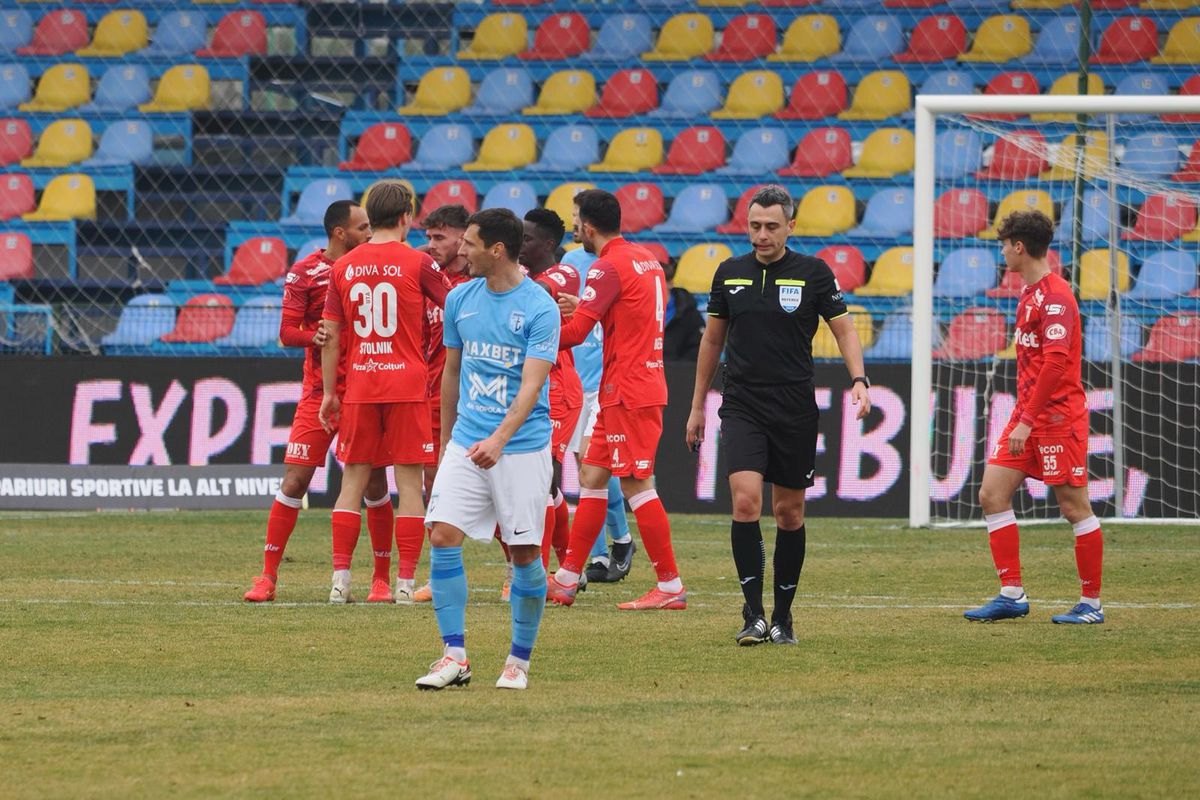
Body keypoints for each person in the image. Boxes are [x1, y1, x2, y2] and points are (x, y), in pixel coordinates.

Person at [686, 185, 871, 646]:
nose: (761, 234)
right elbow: (712, 341)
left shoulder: (813, 273)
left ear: (791, 226)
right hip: (742, 402)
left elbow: (845, 331)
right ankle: (753, 615)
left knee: (788, 512)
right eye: (754, 226)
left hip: (794, 406)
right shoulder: (730, 273)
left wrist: (859, 380)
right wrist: (697, 407)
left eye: (771, 226)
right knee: (745, 501)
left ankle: (783, 618)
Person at [416, 208, 559, 691]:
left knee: (522, 552)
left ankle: (518, 661)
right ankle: (454, 655)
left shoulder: (540, 307)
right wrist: (445, 445)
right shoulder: (461, 300)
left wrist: (499, 439)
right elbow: (452, 374)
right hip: (466, 442)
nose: (461, 250)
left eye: (471, 244)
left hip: (520, 448)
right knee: (441, 536)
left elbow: (532, 386)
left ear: (497, 250)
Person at [242, 200, 390, 603]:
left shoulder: (374, 268)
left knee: (375, 482)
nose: (369, 234)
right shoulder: (305, 272)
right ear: (340, 232)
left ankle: (380, 580)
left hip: (365, 390)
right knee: (295, 479)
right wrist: (315, 337)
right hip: (318, 393)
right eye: (362, 228)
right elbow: (287, 332)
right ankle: (267, 577)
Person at [546, 189, 685, 611]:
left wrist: (526, 326)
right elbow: (629, 317)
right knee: (591, 476)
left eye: (575, 222)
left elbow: (572, 335)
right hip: (626, 386)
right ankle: (568, 579)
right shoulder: (648, 261)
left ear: (588, 226)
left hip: (628, 390)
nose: (573, 229)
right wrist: (583, 308)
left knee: (637, 484)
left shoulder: (607, 268)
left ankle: (670, 585)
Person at [964, 210, 1105, 625]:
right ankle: (1012, 594)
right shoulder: (1030, 293)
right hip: (1028, 415)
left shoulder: (1057, 297)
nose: (1002, 251)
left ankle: (1091, 604)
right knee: (992, 493)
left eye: (1004, 244)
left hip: (1056, 418)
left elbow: (1057, 364)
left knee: (1073, 505)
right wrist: (1024, 417)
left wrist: (1027, 420)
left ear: (1019, 247)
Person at [319, 182, 451, 605]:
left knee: (353, 479)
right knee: (410, 483)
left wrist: (328, 393)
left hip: (360, 383)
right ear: (406, 217)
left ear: (370, 218)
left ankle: (341, 580)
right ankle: (405, 583)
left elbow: (331, 335)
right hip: (408, 385)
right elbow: (457, 307)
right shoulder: (419, 263)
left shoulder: (343, 267)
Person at [408, 204, 473, 604]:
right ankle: (440, 574)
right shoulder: (432, 280)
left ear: (463, 239)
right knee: (437, 487)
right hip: (436, 398)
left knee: (504, 489)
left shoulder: (485, 281)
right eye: (428, 237)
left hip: (483, 400)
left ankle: (524, 569)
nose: (429, 245)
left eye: (439, 238)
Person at [560, 246, 636, 585]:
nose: (575, 226)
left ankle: (620, 542)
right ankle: (603, 554)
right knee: (586, 468)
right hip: (576, 377)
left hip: (604, 378)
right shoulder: (570, 263)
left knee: (595, 467)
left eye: (579, 220)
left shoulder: (619, 266)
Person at [519, 207, 583, 575]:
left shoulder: (564, 272)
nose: (521, 245)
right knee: (549, 481)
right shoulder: (526, 275)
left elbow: (534, 294)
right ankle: (568, 566)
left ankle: (538, 575)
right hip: (534, 387)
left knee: (541, 481)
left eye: (528, 239)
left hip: (558, 389)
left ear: (549, 244)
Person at [662, 259, 705, 362]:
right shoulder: (639, 312)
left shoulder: (689, 312)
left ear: (670, 283)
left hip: (681, 372)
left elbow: (697, 347)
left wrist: (676, 369)